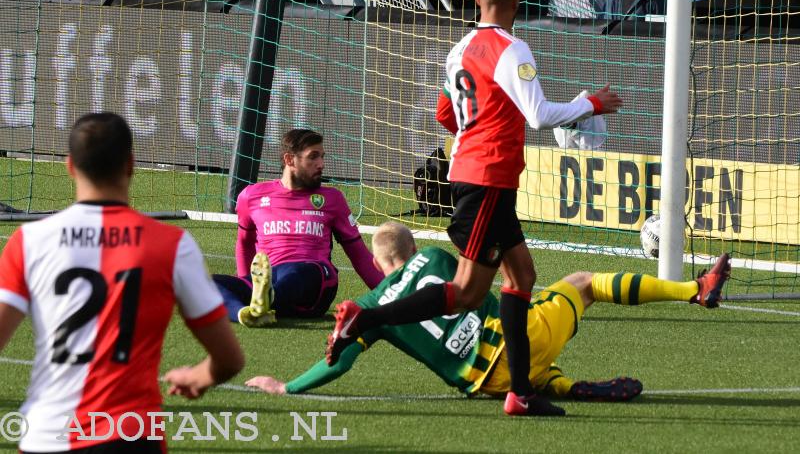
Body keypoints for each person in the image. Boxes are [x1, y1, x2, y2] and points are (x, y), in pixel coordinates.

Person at [325, 0, 623, 418]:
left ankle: (520, 394)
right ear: (516, 3)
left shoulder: (460, 49)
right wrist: (591, 104)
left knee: (521, 276)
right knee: (465, 291)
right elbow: (539, 115)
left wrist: (477, 128)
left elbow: (446, 112)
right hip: (485, 180)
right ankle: (364, 319)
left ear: (479, 1)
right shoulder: (511, 48)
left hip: (485, 178)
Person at [249, 222, 731, 401]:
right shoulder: (438, 257)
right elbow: (481, 292)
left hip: (484, 384)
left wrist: (285, 385)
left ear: (378, 264)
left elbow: (339, 363)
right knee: (582, 284)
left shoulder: (373, 305)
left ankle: (557, 383)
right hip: (518, 346)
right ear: (413, 246)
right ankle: (694, 288)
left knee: (535, 332)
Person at [0, 113, 244, 453]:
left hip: (46, 435)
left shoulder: (28, 241)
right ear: (130, 164)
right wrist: (200, 377)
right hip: (131, 436)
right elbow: (230, 360)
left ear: (70, 166)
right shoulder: (172, 244)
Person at [213, 128, 384, 327]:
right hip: (270, 280)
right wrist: (246, 282)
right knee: (208, 283)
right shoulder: (251, 196)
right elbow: (244, 243)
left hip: (315, 282)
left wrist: (392, 294)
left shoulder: (333, 199)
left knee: (298, 272)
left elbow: (359, 255)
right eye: (313, 157)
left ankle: (268, 298)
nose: (321, 164)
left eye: (322, 156)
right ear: (289, 160)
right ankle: (246, 312)